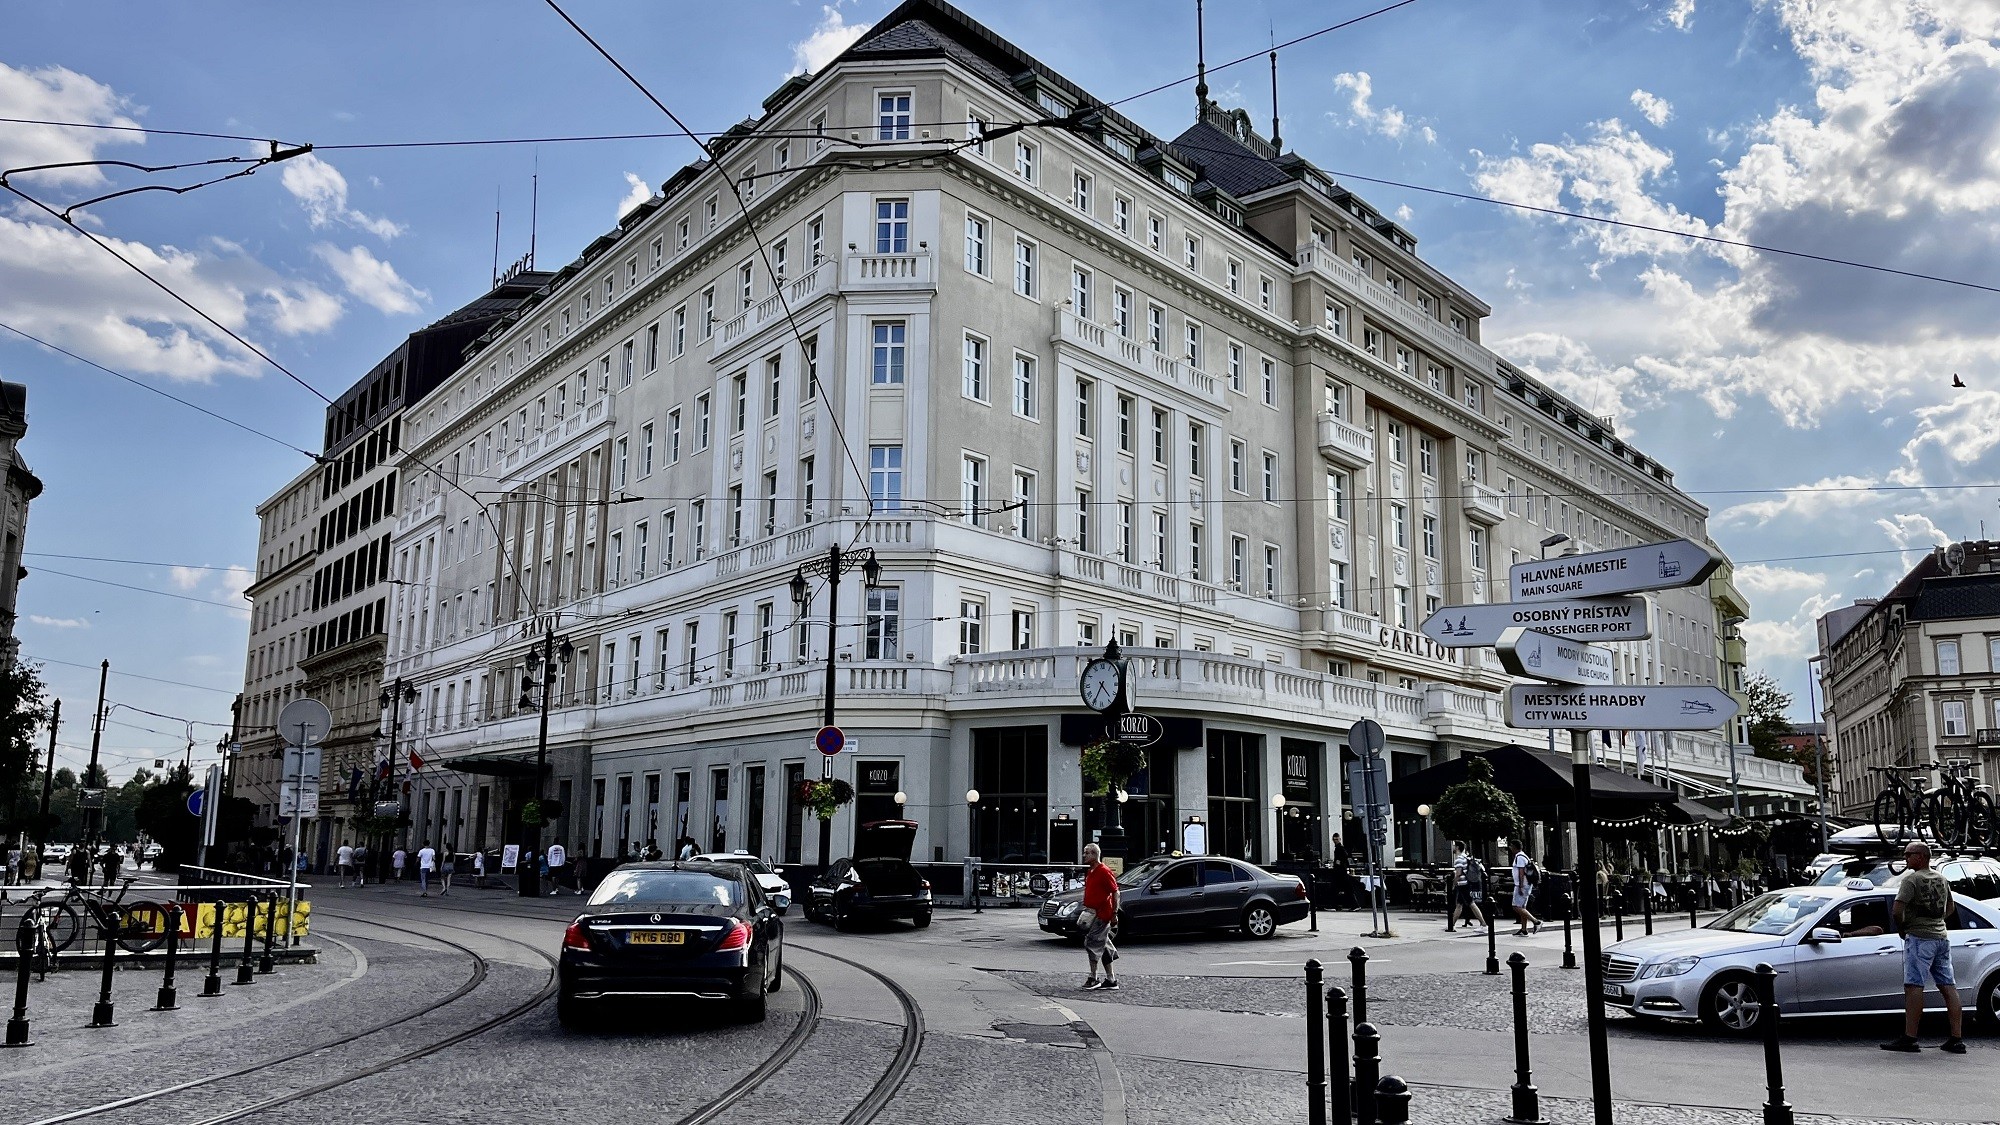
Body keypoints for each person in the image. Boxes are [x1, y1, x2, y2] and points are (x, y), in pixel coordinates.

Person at [1881, 841, 1964, 1054]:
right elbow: (1951, 907)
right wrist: (1937, 921)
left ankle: (1910, 1038)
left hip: (1919, 938)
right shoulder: (1941, 878)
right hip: (1941, 938)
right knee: (1948, 986)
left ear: (1920, 856)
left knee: (1914, 986)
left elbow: (1897, 910)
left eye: (1908, 854)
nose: (1905, 858)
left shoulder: (1911, 880)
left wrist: (1904, 928)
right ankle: (1956, 1038)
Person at [1078, 842, 1120, 991]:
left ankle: (1093, 978)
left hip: (1101, 914)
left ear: (1095, 854)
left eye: (1087, 853)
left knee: (1092, 943)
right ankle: (1111, 979)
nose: (1084, 855)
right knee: (1103, 945)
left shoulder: (1103, 871)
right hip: (1092, 913)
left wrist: (1114, 913)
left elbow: (1115, 892)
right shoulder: (1091, 871)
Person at [1448, 842, 1486, 932]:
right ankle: (1451, 925)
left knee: (1471, 903)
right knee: (1459, 905)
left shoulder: (1459, 859)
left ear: (1457, 847)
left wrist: (1453, 884)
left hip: (1463, 884)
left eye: (1454, 846)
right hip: (1466, 883)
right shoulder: (1465, 857)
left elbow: (1458, 873)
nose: (1453, 847)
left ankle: (1483, 924)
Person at [1508, 839, 1541, 936]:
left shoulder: (1520, 857)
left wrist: (1520, 886)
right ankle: (1524, 929)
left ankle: (1536, 922)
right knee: (1522, 907)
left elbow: (1521, 872)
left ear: (1514, 847)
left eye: (1511, 846)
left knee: (1516, 906)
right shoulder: (1523, 856)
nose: (1510, 848)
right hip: (1526, 884)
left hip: (1522, 885)